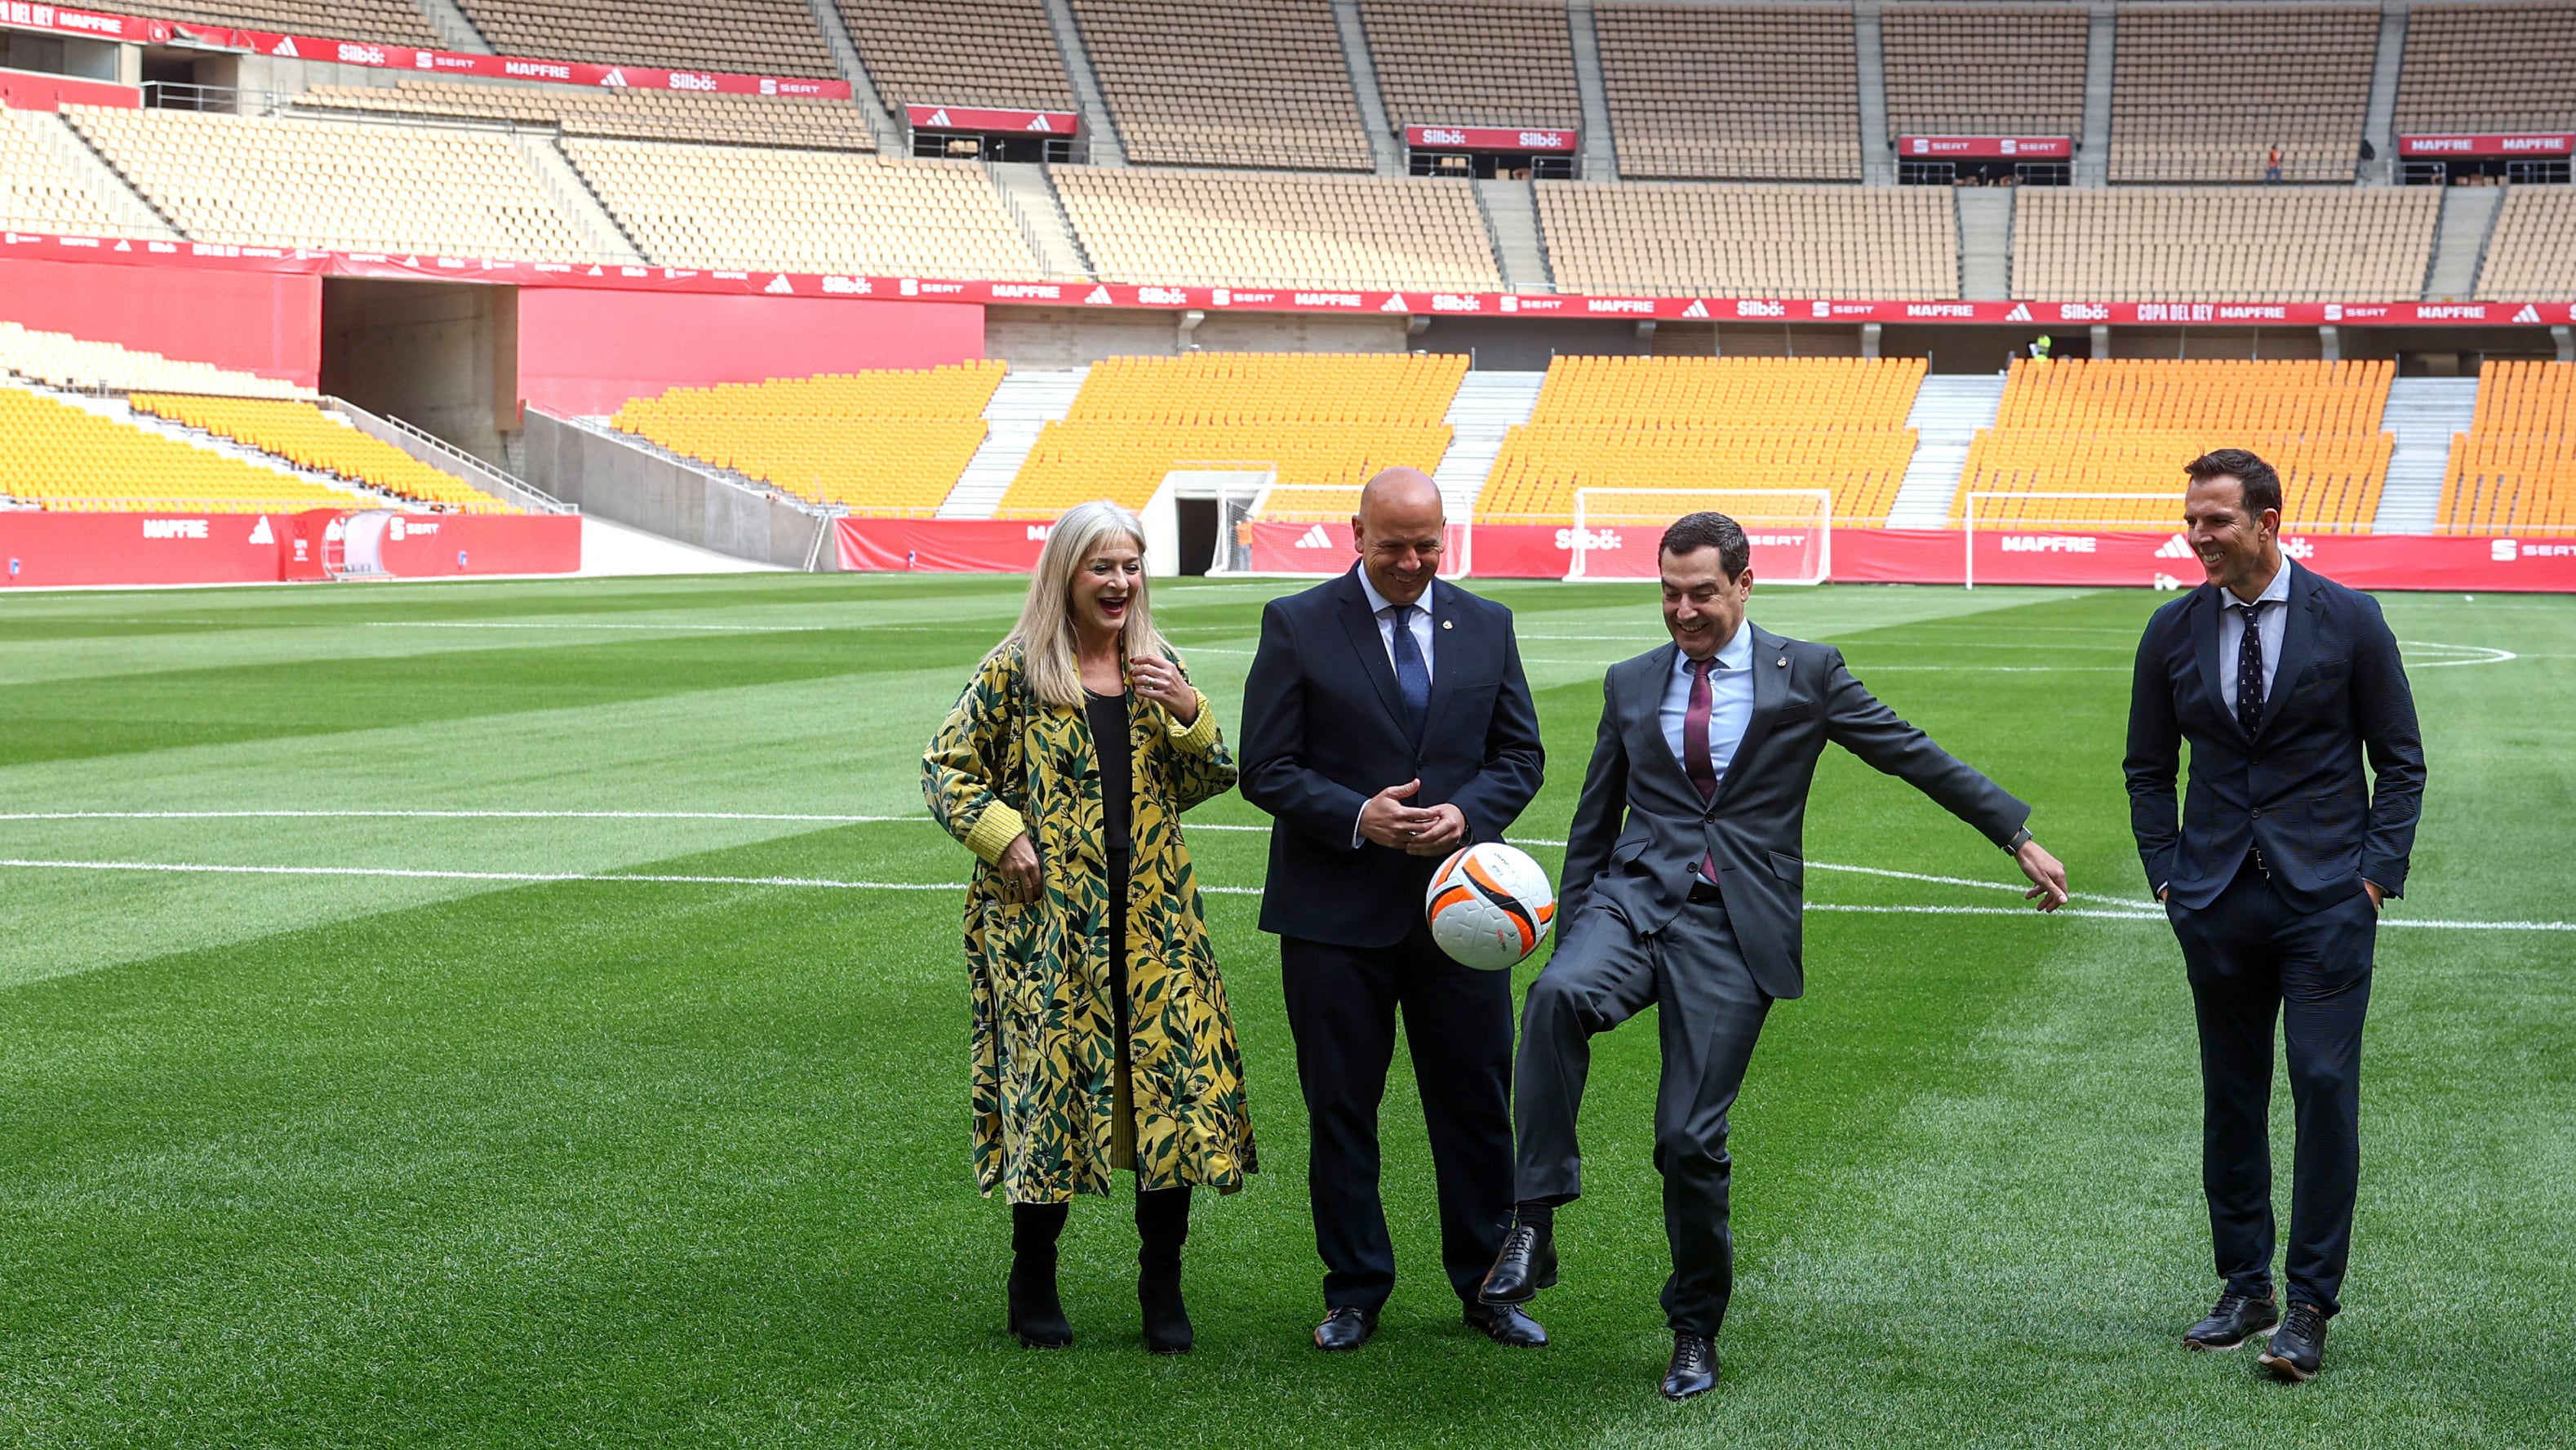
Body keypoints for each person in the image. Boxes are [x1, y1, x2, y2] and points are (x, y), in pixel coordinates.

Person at [1478, 511, 2071, 1402]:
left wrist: (2014, 834)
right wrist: (1578, 932)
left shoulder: (1809, 675)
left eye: (1703, 593)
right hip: (1634, 903)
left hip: (1734, 927)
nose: (1684, 610)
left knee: (1689, 1140)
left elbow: (1910, 754)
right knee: (1556, 997)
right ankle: (1534, 1220)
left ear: (1744, 586)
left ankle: (1694, 1329)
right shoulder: (1630, 682)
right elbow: (1595, 818)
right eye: (1671, 593)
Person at [922, 499, 1255, 1355]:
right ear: (1065, 575)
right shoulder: (1016, 670)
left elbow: (1212, 776)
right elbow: (946, 771)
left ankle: (1162, 1284)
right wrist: (1006, 837)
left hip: (1152, 919)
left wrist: (1188, 708)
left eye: (1131, 566)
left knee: (1169, 1096)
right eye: (1101, 566)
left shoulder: (1156, 666)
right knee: (1050, 1092)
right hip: (1045, 926)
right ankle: (1032, 1275)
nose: (1119, 582)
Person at [2123, 449, 2423, 1383]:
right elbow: (2146, 768)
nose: (2196, 536)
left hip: (2326, 902)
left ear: (2267, 520)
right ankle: (2243, 1286)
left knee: (2324, 1092)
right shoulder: (2172, 628)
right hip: (2215, 902)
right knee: (2232, 1099)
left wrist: (2372, 879)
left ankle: (2308, 1306)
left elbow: (2400, 762)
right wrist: (2169, 877)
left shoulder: (2350, 618)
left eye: (2214, 521)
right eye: (2190, 519)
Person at [1239, 467, 1548, 1352]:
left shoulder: (1486, 624)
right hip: (1333, 918)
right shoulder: (1296, 623)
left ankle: (1489, 1287)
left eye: (1427, 545)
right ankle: (1355, 1289)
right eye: (1393, 546)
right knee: (1342, 1108)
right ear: (1356, 534)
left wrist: (1470, 813)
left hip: (1465, 918)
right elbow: (1265, 764)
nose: (1412, 562)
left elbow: (1518, 755)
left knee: (1479, 1104)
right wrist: (1355, 814)